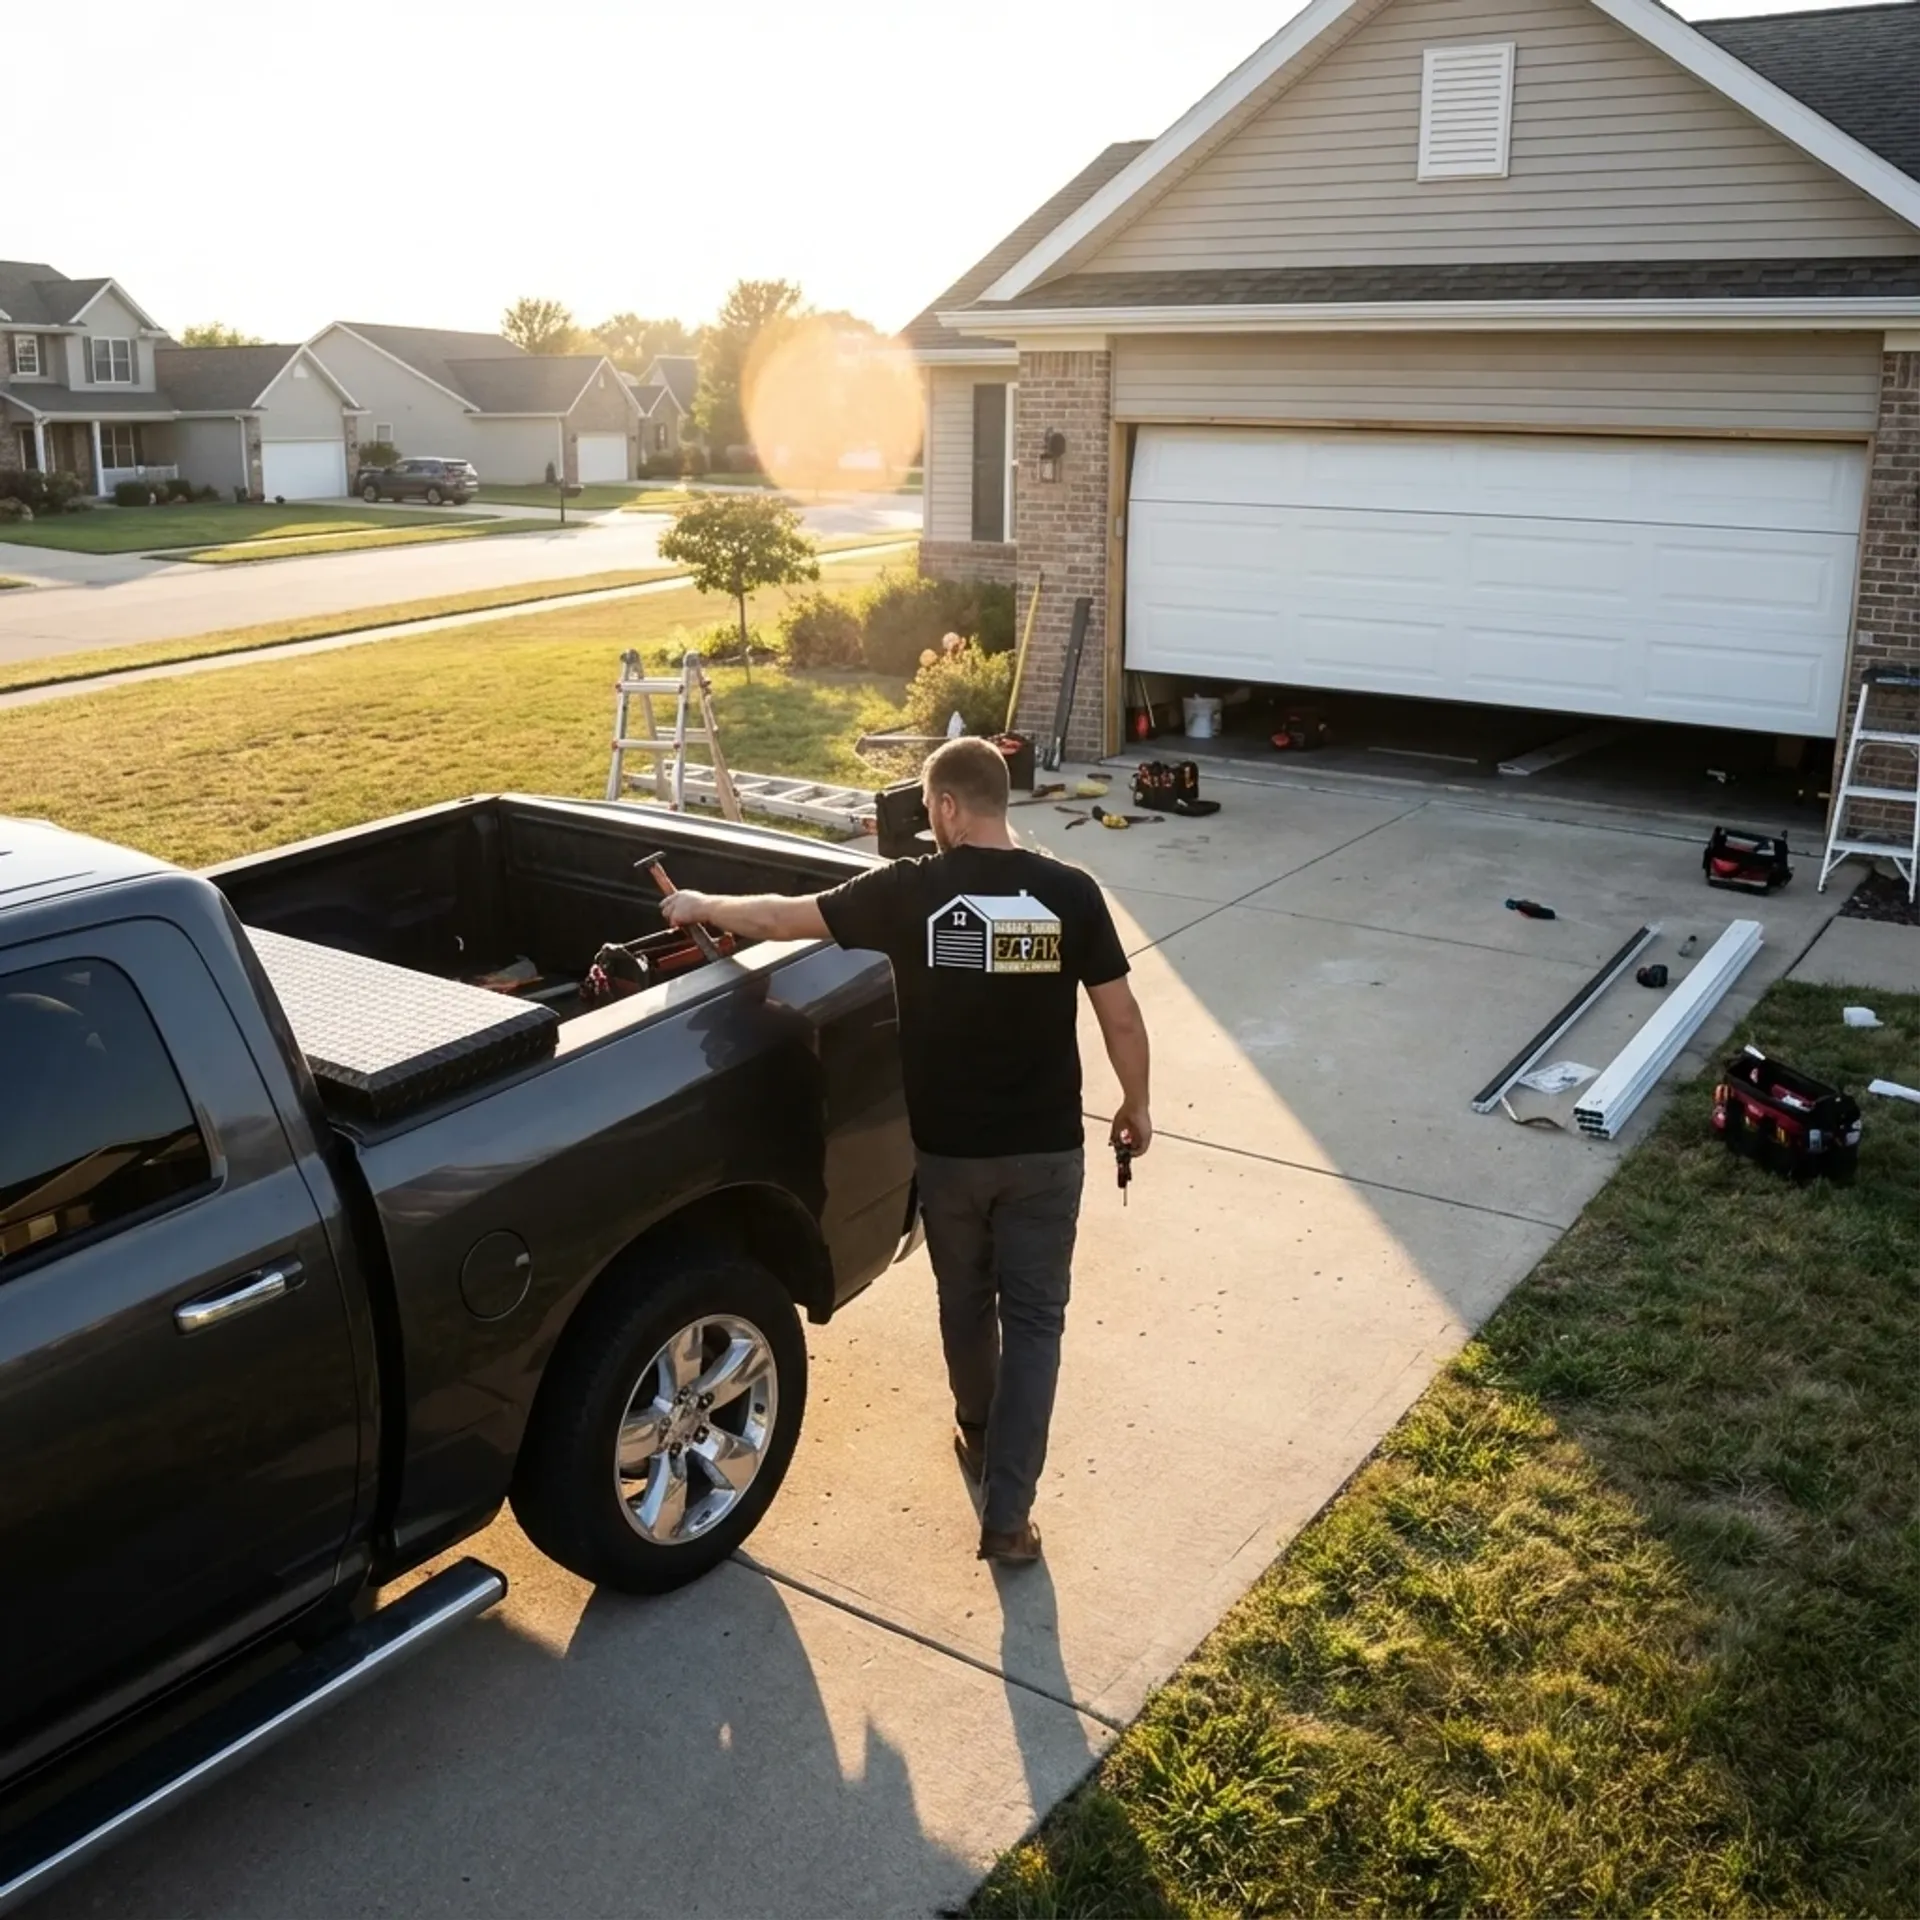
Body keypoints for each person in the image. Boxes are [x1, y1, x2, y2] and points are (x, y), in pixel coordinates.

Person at [660, 737, 1152, 1567]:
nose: (928, 822)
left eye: (929, 808)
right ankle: (1009, 1516)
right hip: (1045, 1154)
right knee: (1036, 1324)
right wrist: (1136, 1104)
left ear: (950, 806)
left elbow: (781, 918)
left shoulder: (909, 891)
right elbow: (1122, 1016)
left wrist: (700, 901)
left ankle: (978, 1428)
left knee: (966, 1298)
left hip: (951, 1155)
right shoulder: (1070, 892)